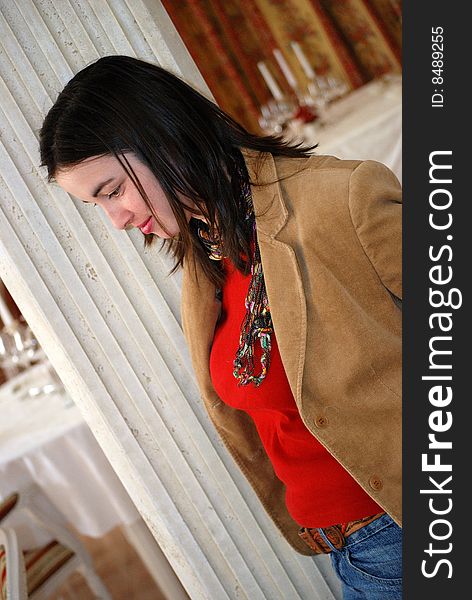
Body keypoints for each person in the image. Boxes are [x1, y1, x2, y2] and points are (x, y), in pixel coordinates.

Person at [39, 55, 402, 599]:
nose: (115, 219)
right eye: (97, 205)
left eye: (112, 190)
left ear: (163, 139)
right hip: (344, 552)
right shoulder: (206, 253)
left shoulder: (341, 199)